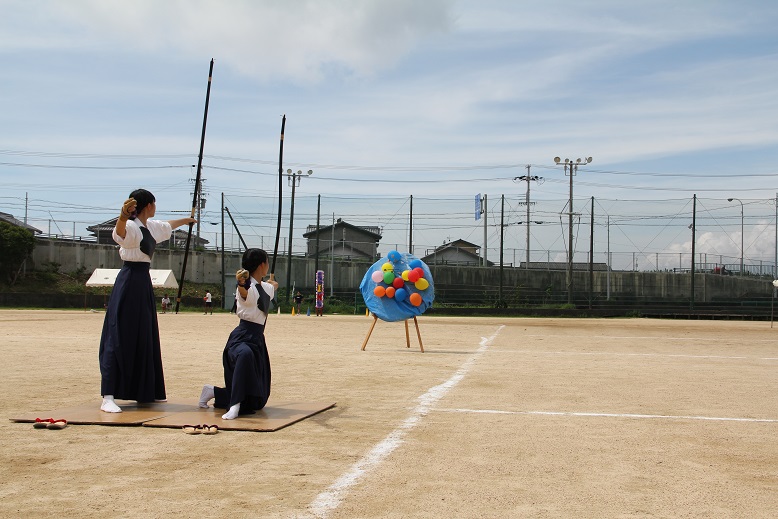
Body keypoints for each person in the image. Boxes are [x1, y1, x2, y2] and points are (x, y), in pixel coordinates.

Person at [99, 189, 196, 413]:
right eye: (154, 203)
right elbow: (119, 233)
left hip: (142, 280)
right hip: (129, 279)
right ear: (149, 205)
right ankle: (108, 395)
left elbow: (168, 225)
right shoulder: (131, 226)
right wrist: (123, 216)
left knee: (144, 334)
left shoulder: (150, 226)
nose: (156, 206)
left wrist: (187, 220)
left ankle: (144, 392)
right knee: (120, 333)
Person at [198, 248, 278, 419]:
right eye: (267, 262)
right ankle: (234, 405)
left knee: (257, 400)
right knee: (244, 354)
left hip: (257, 339)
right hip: (242, 337)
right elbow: (245, 292)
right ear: (263, 265)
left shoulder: (266, 288)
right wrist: (242, 284)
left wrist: (272, 283)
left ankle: (212, 391)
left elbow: (270, 287)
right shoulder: (246, 288)